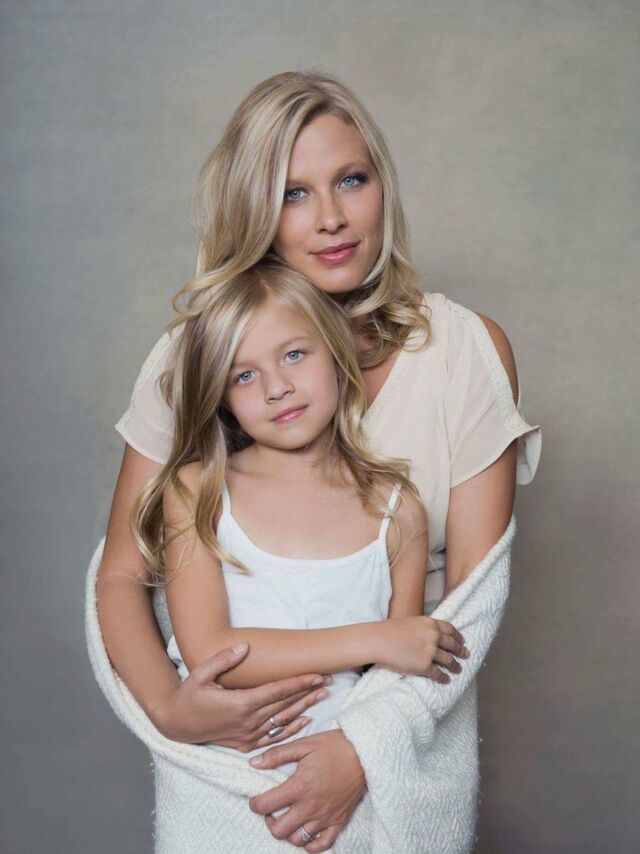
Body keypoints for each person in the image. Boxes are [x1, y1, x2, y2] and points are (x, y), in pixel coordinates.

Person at [96, 70, 541, 852]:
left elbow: (468, 604)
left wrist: (363, 749)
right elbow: (123, 575)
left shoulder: (464, 349)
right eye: (292, 193)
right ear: (253, 211)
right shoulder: (196, 355)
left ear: (382, 187)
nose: (331, 217)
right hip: (234, 756)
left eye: (351, 180)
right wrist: (169, 709)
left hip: (405, 731)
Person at [137, 261, 467, 796]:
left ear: (335, 352)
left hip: (349, 781)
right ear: (222, 398)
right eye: (244, 376)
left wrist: (390, 652)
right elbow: (212, 654)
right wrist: (376, 639)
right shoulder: (197, 492)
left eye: (294, 354)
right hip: (222, 780)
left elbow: (397, 678)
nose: (277, 388)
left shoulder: (397, 510)